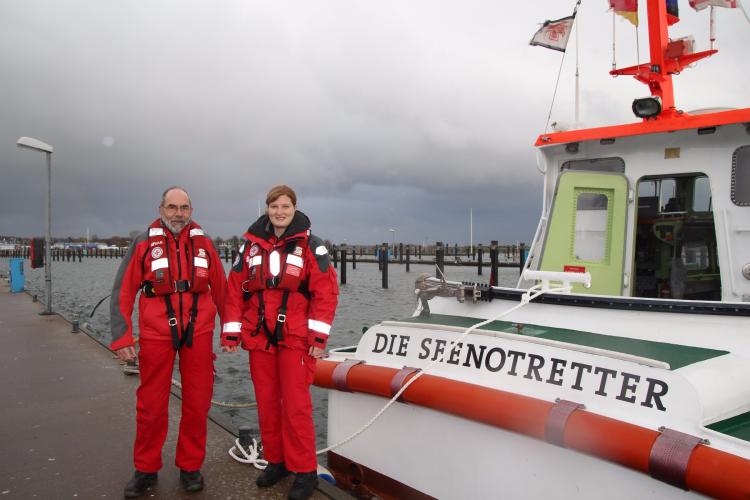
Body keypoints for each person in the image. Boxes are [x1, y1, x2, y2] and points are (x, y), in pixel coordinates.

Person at [221, 185, 338, 500]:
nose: (280, 212)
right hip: (259, 337)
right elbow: (234, 290)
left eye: (285, 206)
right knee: (267, 403)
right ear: (267, 209)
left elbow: (326, 294)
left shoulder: (312, 246)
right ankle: (277, 461)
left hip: (296, 338)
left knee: (297, 406)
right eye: (274, 206)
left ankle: (305, 470)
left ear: (294, 208)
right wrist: (230, 332)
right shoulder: (249, 247)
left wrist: (318, 338)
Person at [110, 186, 226, 498]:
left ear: (191, 211)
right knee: (151, 406)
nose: (178, 213)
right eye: (172, 207)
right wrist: (121, 336)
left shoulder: (204, 243)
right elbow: (123, 291)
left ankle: (191, 467)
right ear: (161, 209)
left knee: (197, 403)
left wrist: (230, 331)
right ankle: (145, 469)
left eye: (184, 208)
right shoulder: (143, 243)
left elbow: (222, 288)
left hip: (198, 333)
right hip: (156, 334)